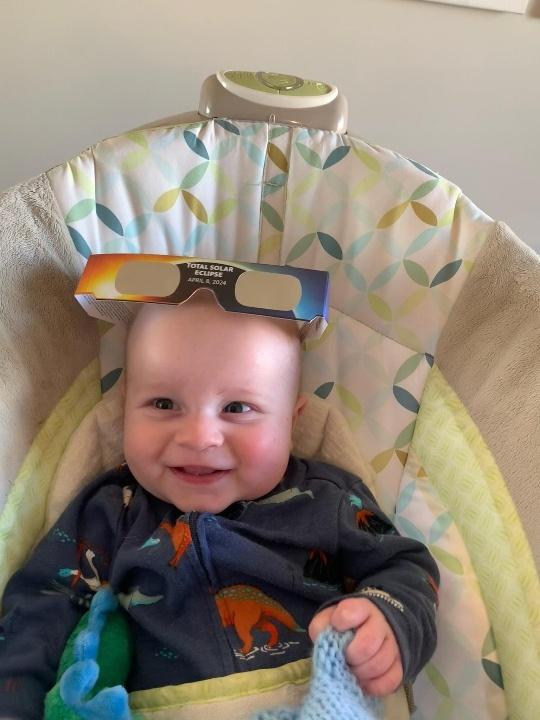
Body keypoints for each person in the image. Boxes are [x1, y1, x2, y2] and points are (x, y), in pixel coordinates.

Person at [0, 291, 439, 719]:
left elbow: (406, 567)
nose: (198, 437)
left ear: (291, 422)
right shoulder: (112, 510)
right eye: (163, 403)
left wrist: (390, 618)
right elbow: (39, 609)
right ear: (123, 411)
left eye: (237, 407)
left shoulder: (328, 499)